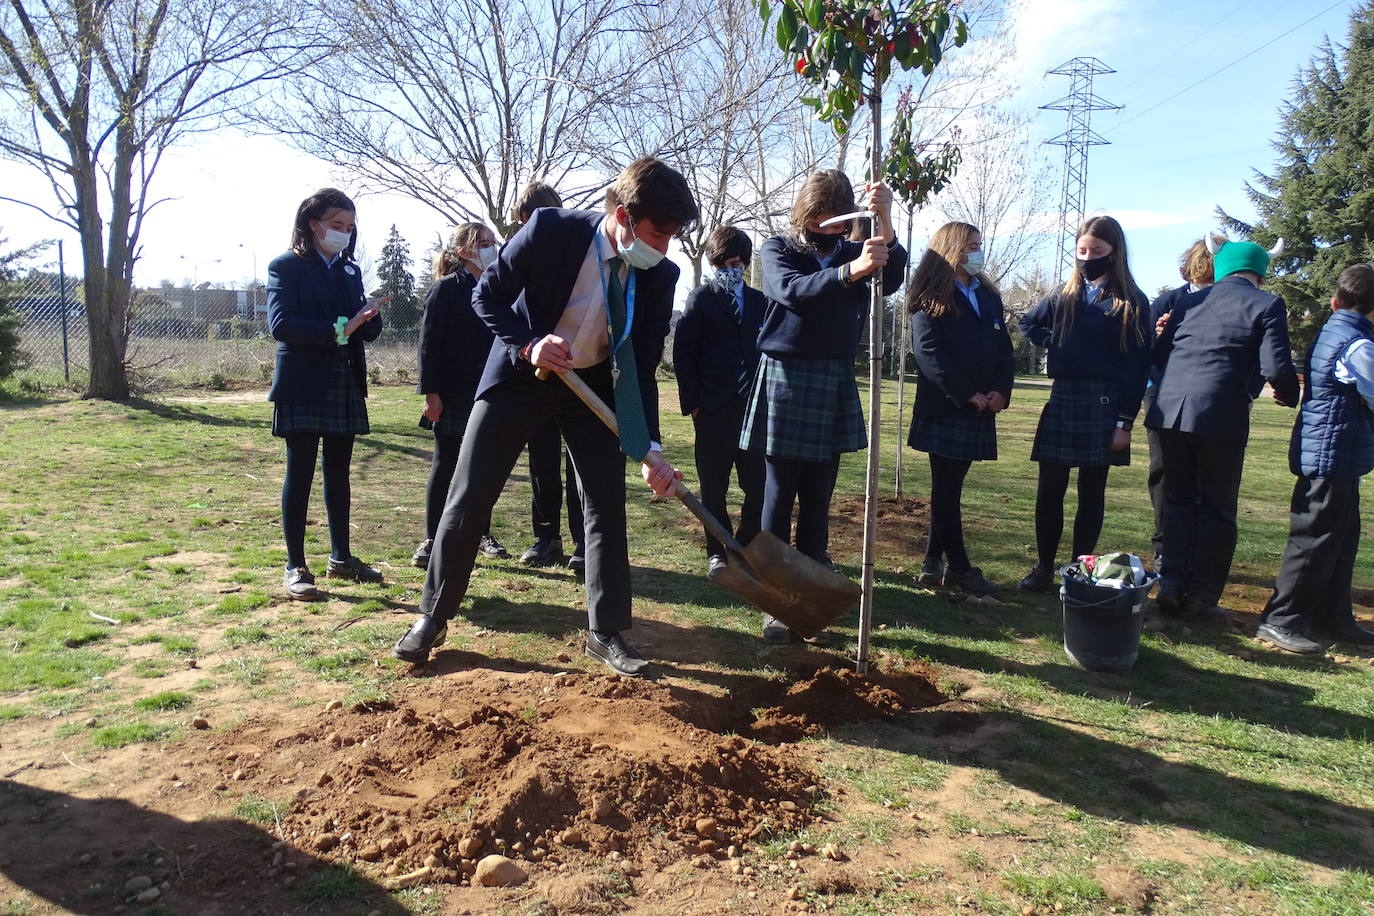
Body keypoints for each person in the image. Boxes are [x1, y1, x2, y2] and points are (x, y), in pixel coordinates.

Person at [393, 157, 698, 675]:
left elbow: (641, 367)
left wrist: (649, 448)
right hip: (520, 376)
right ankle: (433, 615)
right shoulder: (549, 230)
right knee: (470, 493)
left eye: (673, 236)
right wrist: (529, 344)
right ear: (623, 216)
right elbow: (486, 296)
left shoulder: (659, 274)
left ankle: (606, 632)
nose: (665, 247)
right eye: (658, 233)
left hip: (593, 388)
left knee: (604, 506)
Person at [742, 170, 907, 642]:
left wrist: (885, 222)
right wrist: (848, 272)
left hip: (831, 377)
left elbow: (890, 278)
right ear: (805, 212)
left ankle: (808, 600)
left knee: (818, 497)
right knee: (777, 495)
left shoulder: (857, 248)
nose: (827, 227)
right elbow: (791, 291)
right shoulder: (778, 249)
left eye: (836, 220)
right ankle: (775, 600)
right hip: (785, 376)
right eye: (819, 218)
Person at [1147, 233, 1298, 622]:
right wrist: (1287, 394)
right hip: (1219, 415)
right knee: (1216, 507)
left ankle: (1172, 582)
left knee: (1178, 500)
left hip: (1169, 412)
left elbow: (1160, 353)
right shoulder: (1267, 304)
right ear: (1261, 273)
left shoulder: (1190, 301)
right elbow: (1277, 368)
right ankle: (1201, 598)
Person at [1017, 215, 1152, 593]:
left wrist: (1124, 423)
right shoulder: (1065, 293)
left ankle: (1079, 570)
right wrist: (1057, 342)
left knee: (1092, 493)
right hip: (1063, 398)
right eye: (1081, 250)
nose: (1087, 257)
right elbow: (1028, 324)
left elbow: (1137, 367)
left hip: (1105, 404)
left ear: (1114, 253)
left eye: (1096, 251)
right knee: (1049, 490)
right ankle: (1043, 568)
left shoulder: (1132, 301)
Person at [266, 188, 385, 600]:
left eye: (349, 228)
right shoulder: (286, 266)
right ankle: (295, 565)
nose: (344, 234)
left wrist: (370, 319)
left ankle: (341, 558)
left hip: (343, 379)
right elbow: (282, 325)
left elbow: (363, 330)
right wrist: (342, 328)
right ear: (313, 225)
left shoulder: (350, 271)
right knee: (300, 472)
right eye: (337, 226)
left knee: (339, 472)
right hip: (303, 381)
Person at [1256, 263, 1374, 653]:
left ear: (1336, 299)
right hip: (1331, 452)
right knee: (1313, 538)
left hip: (1338, 451)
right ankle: (1281, 619)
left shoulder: (1338, 329)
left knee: (1341, 537)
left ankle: (1332, 615)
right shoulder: (1358, 344)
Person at [905, 222, 1014, 594]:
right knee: (946, 488)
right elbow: (928, 352)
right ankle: (961, 570)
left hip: (982, 407)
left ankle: (933, 561)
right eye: (971, 246)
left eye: (979, 245)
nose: (978, 252)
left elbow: (1004, 351)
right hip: (947, 407)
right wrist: (967, 394)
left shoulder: (988, 295)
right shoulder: (929, 295)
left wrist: (1000, 390)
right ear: (951, 249)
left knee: (949, 487)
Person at [411, 223, 509, 569]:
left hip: (490, 393)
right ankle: (432, 537)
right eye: (483, 243)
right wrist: (431, 393)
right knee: (445, 465)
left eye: (492, 242)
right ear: (464, 251)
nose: (491, 247)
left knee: (484, 468)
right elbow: (429, 344)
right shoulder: (446, 289)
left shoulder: (500, 286)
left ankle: (481, 533)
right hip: (452, 394)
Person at [673, 226, 767, 575]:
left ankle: (743, 544)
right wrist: (693, 403)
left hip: (753, 408)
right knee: (713, 485)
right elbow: (685, 353)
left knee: (758, 485)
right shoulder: (700, 298)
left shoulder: (760, 301)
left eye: (740, 262)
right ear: (715, 262)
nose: (735, 268)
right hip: (713, 408)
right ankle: (718, 549)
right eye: (728, 262)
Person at [512, 182, 588, 572]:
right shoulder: (520, 258)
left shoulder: (580, 253)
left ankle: (583, 542)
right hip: (535, 375)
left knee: (579, 462)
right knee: (542, 459)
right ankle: (546, 538)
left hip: (578, 373)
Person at [1142, 240, 1214, 570]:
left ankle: (1197, 549)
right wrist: (1160, 336)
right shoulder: (1168, 301)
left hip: (1210, 402)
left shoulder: (1229, 301)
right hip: (1163, 396)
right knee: (1165, 473)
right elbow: (1145, 351)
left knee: (1206, 477)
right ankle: (1164, 545)